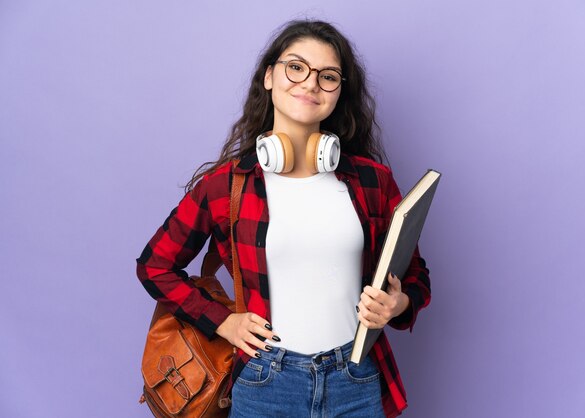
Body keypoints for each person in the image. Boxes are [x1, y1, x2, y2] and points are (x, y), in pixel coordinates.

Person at [136, 19, 431, 418]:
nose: (310, 83)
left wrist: (397, 303)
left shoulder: (371, 181)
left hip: (355, 378)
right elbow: (155, 265)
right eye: (296, 67)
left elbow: (414, 272)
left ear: (339, 92)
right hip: (265, 383)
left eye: (327, 76)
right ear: (270, 76)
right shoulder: (226, 186)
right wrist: (223, 322)